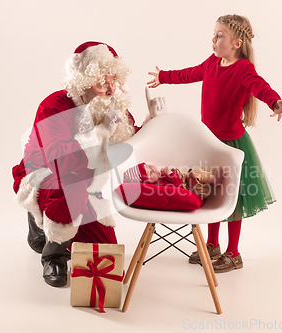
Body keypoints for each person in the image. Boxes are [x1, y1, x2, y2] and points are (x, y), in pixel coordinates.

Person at [12, 41, 166, 287]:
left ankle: (49, 228)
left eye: (113, 80)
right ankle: (54, 253)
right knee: (71, 186)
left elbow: (128, 141)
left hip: (91, 183)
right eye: (102, 83)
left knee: (105, 254)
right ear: (84, 82)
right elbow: (58, 159)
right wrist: (99, 135)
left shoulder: (112, 104)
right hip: (49, 176)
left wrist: (152, 122)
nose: (110, 89)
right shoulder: (54, 106)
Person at [147, 14, 282, 273]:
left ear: (236, 43)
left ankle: (233, 253)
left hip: (232, 144)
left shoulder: (243, 68)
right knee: (210, 191)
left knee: (233, 198)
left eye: (220, 35)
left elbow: (259, 86)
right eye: (213, 34)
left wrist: (274, 101)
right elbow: (190, 73)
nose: (213, 39)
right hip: (210, 142)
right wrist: (164, 76)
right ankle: (212, 244)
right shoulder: (212, 63)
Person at [123, 162, 223, 199]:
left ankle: (213, 180)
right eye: (150, 174)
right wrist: (170, 174)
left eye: (149, 166)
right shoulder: (159, 186)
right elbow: (177, 186)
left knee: (200, 170)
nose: (153, 169)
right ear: (148, 183)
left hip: (200, 184)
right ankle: (215, 180)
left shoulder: (161, 176)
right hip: (196, 190)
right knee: (194, 174)